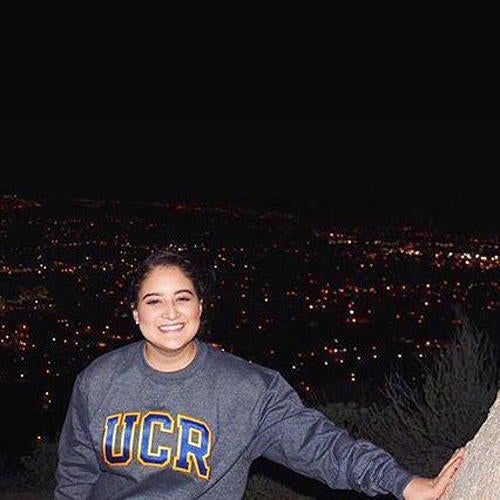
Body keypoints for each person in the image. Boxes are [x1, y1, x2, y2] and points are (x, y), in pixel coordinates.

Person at [54, 248, 464, 499]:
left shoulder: (248, 390)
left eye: (183, 298)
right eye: (154, 301)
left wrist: (404, 483)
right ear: (136, 314)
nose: (171, 313)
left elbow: (321, 448)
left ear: (200, 308)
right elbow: (75, 474)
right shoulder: (99, 380)